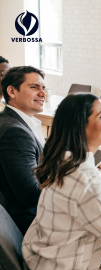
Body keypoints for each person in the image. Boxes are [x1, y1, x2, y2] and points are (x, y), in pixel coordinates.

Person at [22, 93, 101, 270]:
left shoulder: (63, 159)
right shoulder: (86, 177)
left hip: (41, 257)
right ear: (79, 127)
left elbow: (75, 200)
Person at [0, 66, 46, 235]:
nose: (42, 93)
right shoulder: (15, 132)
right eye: (34, 87)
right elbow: (30, 195)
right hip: (31, 222)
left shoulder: (18, 122)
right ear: (12, 91)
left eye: (43, 88)